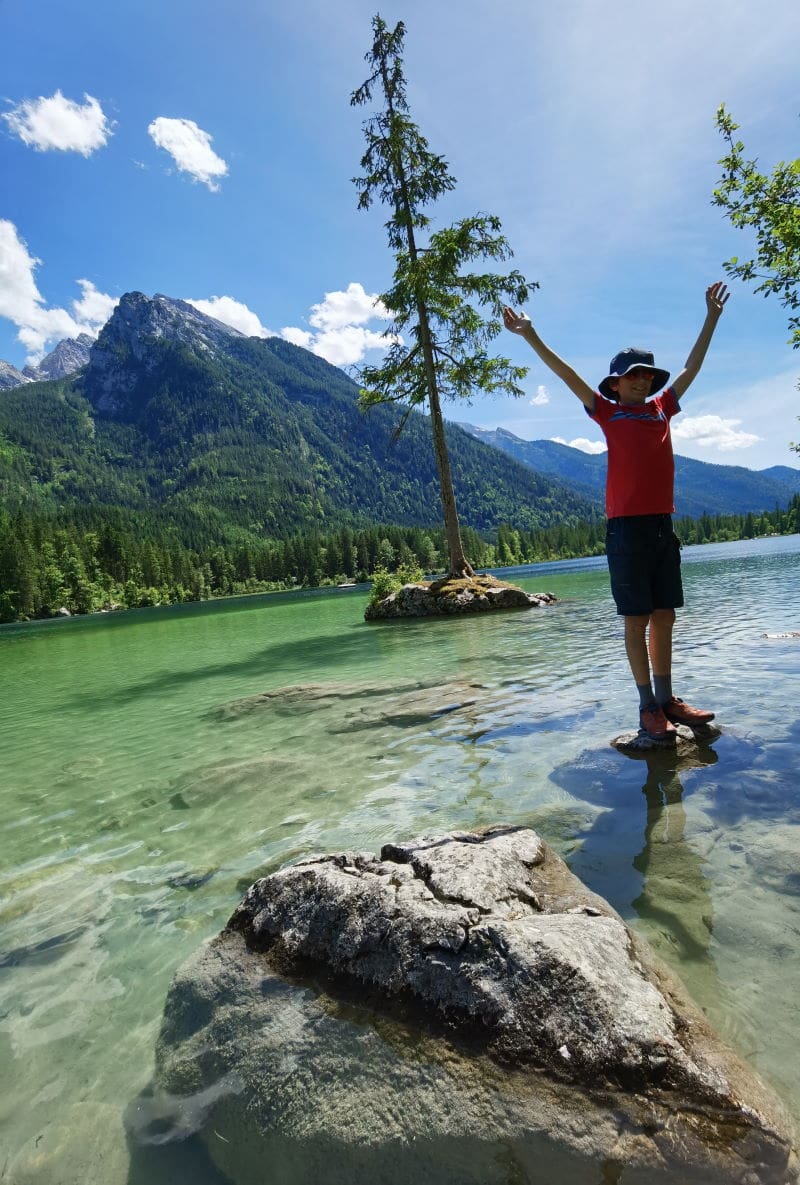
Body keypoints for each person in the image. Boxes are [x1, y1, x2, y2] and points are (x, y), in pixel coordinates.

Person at [503, 283, 729, 740]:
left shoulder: (662, 409)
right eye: (632, 376)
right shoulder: (606, 412)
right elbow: (566, 375)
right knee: (636, 619)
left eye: (646, 374)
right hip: (625, 530)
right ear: (615, 383)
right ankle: (647, 705)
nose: (642, 380)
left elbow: (693, 366)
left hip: (662, 527)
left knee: (665, 615)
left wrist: (712, 317)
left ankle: (668, 700)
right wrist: (530, 335)